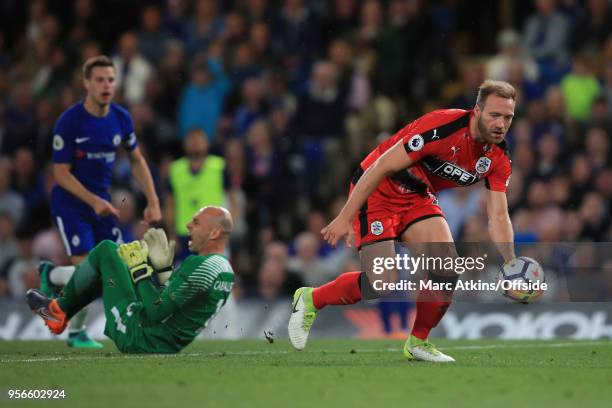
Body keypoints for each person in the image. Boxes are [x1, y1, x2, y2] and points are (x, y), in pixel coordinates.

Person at [288, 80, 519, 362]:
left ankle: (418, 342)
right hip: (379, 191)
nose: (501, 124)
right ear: (477, 111)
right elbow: (380, 166)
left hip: (418, 197)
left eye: (508, 117)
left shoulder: (498, 157)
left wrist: (511, 263)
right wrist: (345, 217)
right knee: (381, 283)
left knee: (446, 268)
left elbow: (497, 215)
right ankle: (311, 299)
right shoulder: (441, 127)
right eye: (495, 115)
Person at [40, 55, 162, 348]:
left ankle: (67, 310)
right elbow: (60, 173)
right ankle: (53, 279)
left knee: (112, 272)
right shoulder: (70, 121)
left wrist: (153, 200)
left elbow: (137, 159)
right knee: (90, 274)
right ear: (86, 83)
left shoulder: (120, 117)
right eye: (99, 79)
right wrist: (93, 200)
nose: (106, 85)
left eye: (110, 79)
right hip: (72, 204)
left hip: (102, 205)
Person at [27, 206, 235, 354]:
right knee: (113, 267)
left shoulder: (200, 266)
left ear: (214, 232)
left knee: (107, 251)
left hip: (140, 335)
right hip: (164, 341)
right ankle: (59, 300)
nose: (188, 225)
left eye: (196, 222)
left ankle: (57, 307)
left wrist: (140, 270)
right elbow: (174, 302)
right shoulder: (224, 269)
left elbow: (155, 312)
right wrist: (162, 268)